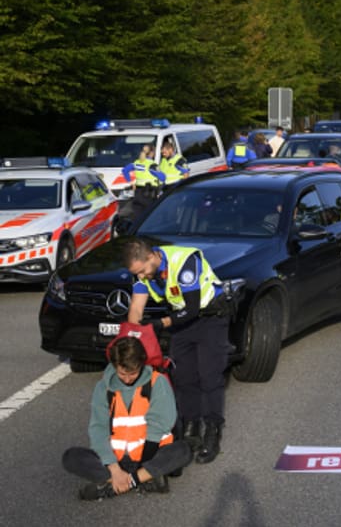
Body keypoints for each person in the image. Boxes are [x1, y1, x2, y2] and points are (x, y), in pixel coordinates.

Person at [122, 238, 233, 464]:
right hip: (181, 320)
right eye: (137, 273)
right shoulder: (142, 272)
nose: (141, 276)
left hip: (209, 317)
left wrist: (158, 324)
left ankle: (212, 432)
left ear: (152, 257)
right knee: (183, 377)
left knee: (209, 377)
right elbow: (136, 308)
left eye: (143, 271)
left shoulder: (183, 261)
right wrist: (132, 338)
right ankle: (190, 428)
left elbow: (192, 307)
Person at [62, 336, 192, 500]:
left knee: (182, 451)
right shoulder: (103, 388)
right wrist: (115, 469)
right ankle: (137, 480)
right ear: (115, 366)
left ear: (141, 364)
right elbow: (98, 429)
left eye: (133, 373)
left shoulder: (157, 382)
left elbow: (159, 426)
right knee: (71, 457)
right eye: (123, 373)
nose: (128, 378)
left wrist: (141, 465)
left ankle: (116, 485)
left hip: (149, 456)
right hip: (115, 460)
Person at [122, 144, 165, 220]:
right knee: (150, 218)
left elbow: (125, 170)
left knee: (138, 218)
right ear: (152, 153)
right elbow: (162, 177)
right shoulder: (152, 165)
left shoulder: (137, 162)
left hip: (138, 193)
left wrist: (131, 182)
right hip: (149, 195)